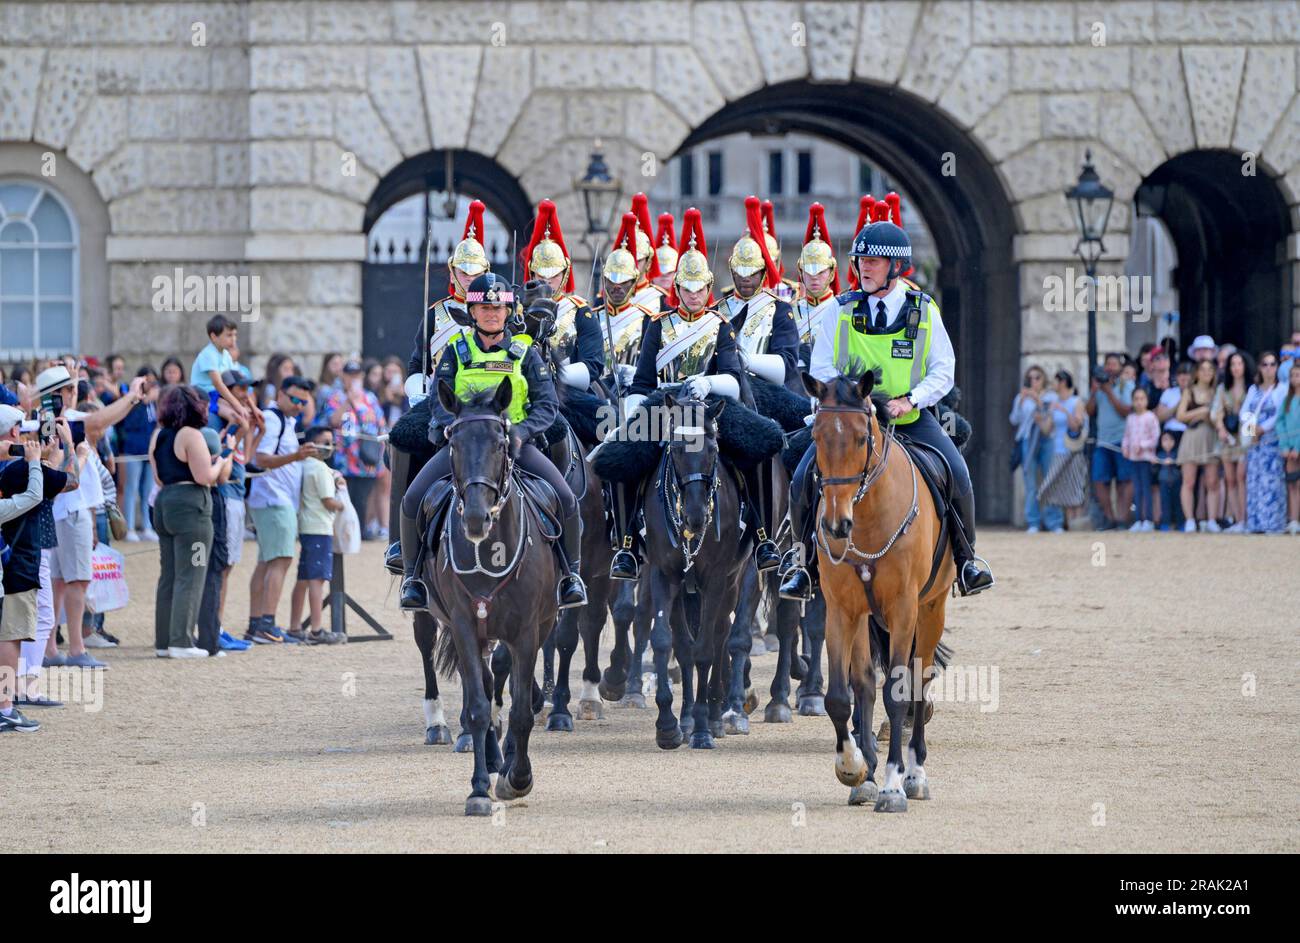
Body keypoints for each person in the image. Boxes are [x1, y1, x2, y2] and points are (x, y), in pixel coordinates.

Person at [783, 200, 993, 600]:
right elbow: (823, 364)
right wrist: (845, 400)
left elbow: (943, 370)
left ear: (897, 268)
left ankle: (967, 561)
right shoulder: (840, 311)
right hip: (853, 417)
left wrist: (910, 399)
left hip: (908, 417)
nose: (864, 266)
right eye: (861, 259)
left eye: (875, 261)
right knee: (800, 478)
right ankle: (804, 564)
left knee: (957, 470)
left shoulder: (924, 311)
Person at [399, 272, 587, 611]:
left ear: (508, 311)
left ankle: (570, 576)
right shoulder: (456, 351)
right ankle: (413, 580)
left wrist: (522, 431)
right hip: (464, 445)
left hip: (513, 444)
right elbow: (438, 401)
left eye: (498, 308)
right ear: (472, 312)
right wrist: (449, 427)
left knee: (566, 498)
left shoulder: (525, 353)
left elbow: (547, 406)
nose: (491, 313)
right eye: (485, 307)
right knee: (413, 499)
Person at [149, 384, 232, 659]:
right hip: (191, 508)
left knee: (169, 575)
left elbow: (159, 477)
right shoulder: (192, 435)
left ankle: (164, 641)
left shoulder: (160, 436)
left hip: (165, 503)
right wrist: (222, 462)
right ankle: (182, 641)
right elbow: (204, 477)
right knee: (193, 573)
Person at [246, 376, 318, 643]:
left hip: (273, 500)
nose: (299, 405)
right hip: (273, 499)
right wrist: (297, 456)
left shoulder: (285, 421)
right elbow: (260, 459)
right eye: (295, 399)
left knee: (266, 561)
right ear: (281, 393)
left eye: (304, 401)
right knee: (281, 560)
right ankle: (266, 624)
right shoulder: (273, 418)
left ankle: (257, 624)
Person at [0, 410, 56, 732]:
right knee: (11, 636)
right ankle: (5, 706)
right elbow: (35, 495)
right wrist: (36, 460)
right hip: (15, 571)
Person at [288, 426, 346, 644]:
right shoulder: (320, 468)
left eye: (331, 441)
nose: (329, 446)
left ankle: (295, 626)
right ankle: (317, 630)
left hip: (306, 526)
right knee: (317, 579)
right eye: (325, 441)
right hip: (320, 527)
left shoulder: (305, 465)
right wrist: (343, 505)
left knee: (303, 578)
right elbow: (328, 501)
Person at [319, 360, 386, 538]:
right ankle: (345, 533)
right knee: (344, 496)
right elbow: (332, 420)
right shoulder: (335, 397)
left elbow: (381, 425)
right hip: (343, 460)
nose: (353, 378)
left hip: (366, 459)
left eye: (357, 375)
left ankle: (361, 532)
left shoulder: (370, 398)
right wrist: (349, 399)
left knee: (362, 499)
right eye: (350, 375)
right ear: (343, 376)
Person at [1086, 352, 1134, 529]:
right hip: (1103, 441)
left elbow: (1125, 411)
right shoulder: (1099, 388)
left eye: (1114, 364)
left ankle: (1123, 518)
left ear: (1120, 368)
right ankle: (1109, 517)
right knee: (1099, 480)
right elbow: (1089, 411)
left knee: (1125, 480)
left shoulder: (1126, 386)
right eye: (1108, 364)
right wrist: (1093, 393)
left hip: (1123, 440)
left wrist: (1109, 391)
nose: (1110, 368)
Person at [1009, 365, 1060, 532]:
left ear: (1043, 378)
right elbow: (1014, 420)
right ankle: (1033, 522)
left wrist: (1038, 401)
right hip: (1027, 440)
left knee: (1050, 481)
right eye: (1030, 378)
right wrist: (1021, 402)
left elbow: (1052, 417)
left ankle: (1054, 522)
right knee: (1030, 483)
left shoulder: (1051, 396)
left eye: (1037, 377)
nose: (1034, 381)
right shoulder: (1021, 397)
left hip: (1047, 440)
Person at [1240, 351, 1286, 534]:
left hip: (1272, 442)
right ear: (1260, 367)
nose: (1269, 368)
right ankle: (1255, 522)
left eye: (1272, 364)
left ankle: (1273, 523)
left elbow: (1279, 414)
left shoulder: (1282, 389)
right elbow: (1244, 413)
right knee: (1255, 481)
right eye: (1265, 364)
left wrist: (1262, 429)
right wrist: (1252, 431)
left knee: (1272, 481)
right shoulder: (1253, 389)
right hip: (1255, 443)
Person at [1176, 359, 1223, 532]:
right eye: (1203, 369)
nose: (1206, 373)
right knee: (1189, 480)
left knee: (1212, 481)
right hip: (1193, 436)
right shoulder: (1189, 391)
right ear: (1196, 373)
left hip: (1211, 436)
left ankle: (1211, 519)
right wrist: (1201, 412)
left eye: (1210, 369)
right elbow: (1180, 415)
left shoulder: (1217, 392)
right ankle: (1189, 519)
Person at [1037, 369, 1087, 528]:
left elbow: (1076, 424)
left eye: (1056, 381)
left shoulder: (1076, 401)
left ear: (1063, 382)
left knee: (1074, 488)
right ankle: (1065, 523)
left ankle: (1076, 525)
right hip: (1057, 451)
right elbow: (1047, 429)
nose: (1053, 385)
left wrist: (1063, 410)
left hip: (1073, 451)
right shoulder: (1054, 403)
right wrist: (1039, 419)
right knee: (1057, 488)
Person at [120, 366, 160, 541]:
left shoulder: (154, 402)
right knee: (132, 488)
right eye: (147, 380)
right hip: (133, 450)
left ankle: (147, 526)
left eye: (153, 380)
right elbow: (129, 424)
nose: (150, 384)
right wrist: (142, 402)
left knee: (148, 490)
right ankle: (129, 527)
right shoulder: (133, 400)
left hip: (150, 451)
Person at [1215, 350, 1252, 531]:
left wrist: (1249, 437)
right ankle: (1237, 520)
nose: (1236, 368)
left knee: (1241, 477)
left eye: (1239, 364)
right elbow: (1216, 412)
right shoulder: (1223, 389)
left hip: (1244, 438)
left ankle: (1245, 518)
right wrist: (1221, 429)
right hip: (1228, 439)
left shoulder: (1252, 388)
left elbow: (1253, 413)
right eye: (1233, 364)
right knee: (1230, 479)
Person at [1121, 387, 1160, 531]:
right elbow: (1126, 435)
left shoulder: (1150, 417)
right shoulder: (1130, 418)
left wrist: (1142, 446)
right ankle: (1138, 519)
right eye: (1136, 399)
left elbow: (1155, 438)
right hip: (1133, 459)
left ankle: (1148, 520)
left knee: (1146, 489)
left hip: (1146, 458)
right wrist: (1125, 447)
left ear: (1147, 400)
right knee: (1137, 489)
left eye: (1142, 399)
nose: (1139, 402)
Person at [1272, 362, 1300, 534]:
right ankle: (1294, 519)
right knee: (1291, 485)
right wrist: (1285, 445)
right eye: (1293, 375)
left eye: (1298, 375)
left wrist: (1297, 446)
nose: (1295, 379)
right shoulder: (1287, 400)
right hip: (1288, 449)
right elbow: (1280, 422)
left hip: (1298, 448)